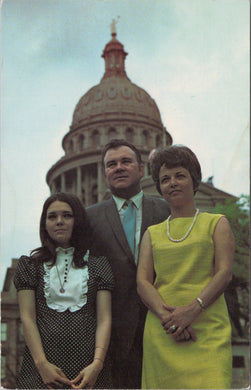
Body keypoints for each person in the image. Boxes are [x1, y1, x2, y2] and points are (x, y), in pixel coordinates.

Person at [137, 145, 235, 389]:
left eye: (180, 175)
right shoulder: (152, 233)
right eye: (165, 179)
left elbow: (224, 273)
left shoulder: (216, 223)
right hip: (163, 334)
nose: (172, 183)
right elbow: (142, 282)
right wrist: (170, 319)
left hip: (207, 330)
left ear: (194, 180)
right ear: (159, 187)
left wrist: (192, 311)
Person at [86, 139, 170, 389]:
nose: (119, 168)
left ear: (142, 169)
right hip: (112, 335)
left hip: (162, 325)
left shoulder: (166, 211)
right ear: (104, 174)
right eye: (112, 164)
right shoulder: (89, 217)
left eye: (126, 161)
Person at [14, 192, 114, 389]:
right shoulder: (29, 265)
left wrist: (97, 364)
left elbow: (104, 319)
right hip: (42, 372)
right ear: (44, 224)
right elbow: (27, 318)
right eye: (52, 217)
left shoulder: (98, 265)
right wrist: (42, 364)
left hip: (89, 371)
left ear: (78, 221)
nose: (59, 221)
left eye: (67, 216)